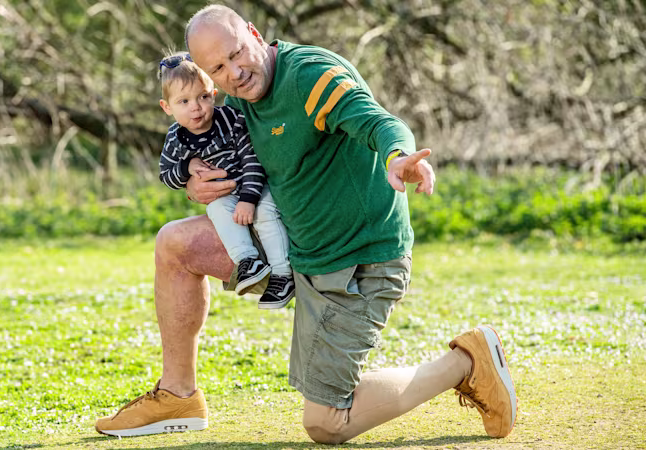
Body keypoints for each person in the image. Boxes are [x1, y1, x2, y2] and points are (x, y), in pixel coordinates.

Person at [96, 5, 518, 443]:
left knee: (325, 423)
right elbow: (206, 144)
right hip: (292, 239)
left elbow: (377, 121)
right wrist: (193, 180)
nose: (234, 72)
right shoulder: (234, 99)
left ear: (254, 33)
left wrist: (398, 156)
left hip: (356, 258)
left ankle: (467, 362)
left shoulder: (310, 76)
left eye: (237, 54)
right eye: (217, 69)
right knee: (175, 243)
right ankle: (178, 396)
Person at [155, 51, 294, 309]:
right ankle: (247, 261)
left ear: (214, 94)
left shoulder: (230, 119)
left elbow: (252, 159)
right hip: (226, 196)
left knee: (265, 212)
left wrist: (249, 199)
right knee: (217, 209)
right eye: (183, 101)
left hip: (255, 185)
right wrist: (186, 167)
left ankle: (282, 274)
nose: (196, 107)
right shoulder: (175, 139)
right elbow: (166, 175)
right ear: (167, 107)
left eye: (203, 97)